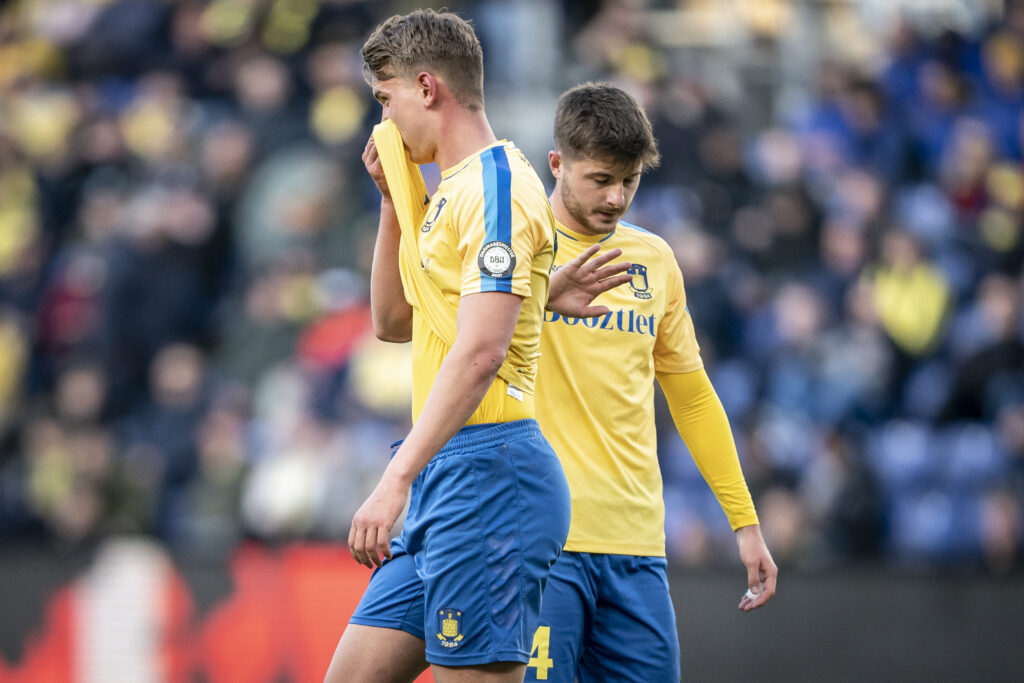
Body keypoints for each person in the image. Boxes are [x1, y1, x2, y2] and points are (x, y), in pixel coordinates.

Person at [324, 12, 631, 683]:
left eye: (386, 99)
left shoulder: (496, 188)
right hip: (448, 473)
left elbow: (481, 352)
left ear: (426, 88)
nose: (383, 120)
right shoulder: (449, 192)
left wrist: (394, 477)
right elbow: (395, 320)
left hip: (491, 476)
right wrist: (390, 202)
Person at [524, 83, 778, 683]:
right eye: (601, 179)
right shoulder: (516, 244)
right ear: (556, 164)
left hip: (636, 545)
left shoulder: (654, 260)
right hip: (539, 542)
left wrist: (744, 522)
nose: (617, 197)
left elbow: (691, 396)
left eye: (630, 181)